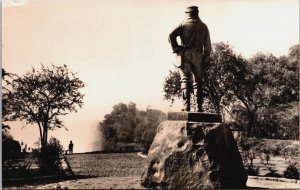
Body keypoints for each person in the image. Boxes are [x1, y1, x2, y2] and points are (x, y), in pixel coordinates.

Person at [169, 6, 211, 112]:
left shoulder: (183, 24)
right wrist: (206, 58)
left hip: (185, 54)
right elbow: (207, 45)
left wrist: (176, 48)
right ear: (197, 13)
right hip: (198, 56)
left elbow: (171, 35)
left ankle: (186, 106)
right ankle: (199, 107)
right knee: (198, 82)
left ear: (187, 13)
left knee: (185, 80)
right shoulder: (204, 26)